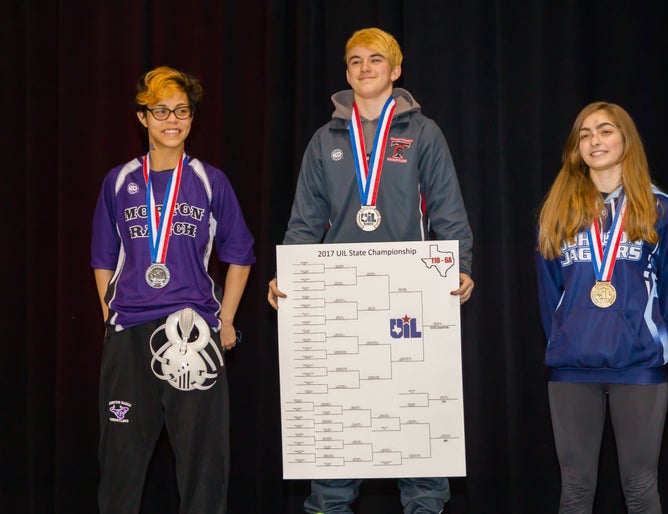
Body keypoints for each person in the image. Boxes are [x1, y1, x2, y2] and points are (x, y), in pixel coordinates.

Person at [267, 27, 474, 514]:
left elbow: (448, 213)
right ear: (346, 73)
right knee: (338, 430)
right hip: (341, 305)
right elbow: (304, 222)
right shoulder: (325, 140)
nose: (364, 68)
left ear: (395, 70)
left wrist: (459, 266)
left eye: (375, 60)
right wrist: (290, 278)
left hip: (410, 304)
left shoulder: (424, 133)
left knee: (415, 429)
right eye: (355, 61)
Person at [91, 65, 255, 513]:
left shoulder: (209, 181)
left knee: (204, 464)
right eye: (160, 110)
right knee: (120, 463)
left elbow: (240, 254)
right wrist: (111, 317)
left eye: (181, 110)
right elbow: (103, 258)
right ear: (142, 117)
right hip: (129, 334)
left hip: (193, 331)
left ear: (191, 118)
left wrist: (225, 320)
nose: (171, 120)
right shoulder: (119, 181)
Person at [535, 101, 668, 513]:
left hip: (638, 368)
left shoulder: (661, 210)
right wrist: (570, 334)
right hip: (572, 368)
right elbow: (549, 292)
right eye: (585, 134)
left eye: (605, 131)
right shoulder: (557, 211)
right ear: (576, 148)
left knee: (640, 489)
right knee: (575, 489)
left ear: (625, 139)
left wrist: (643, 337)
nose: (594, 140)